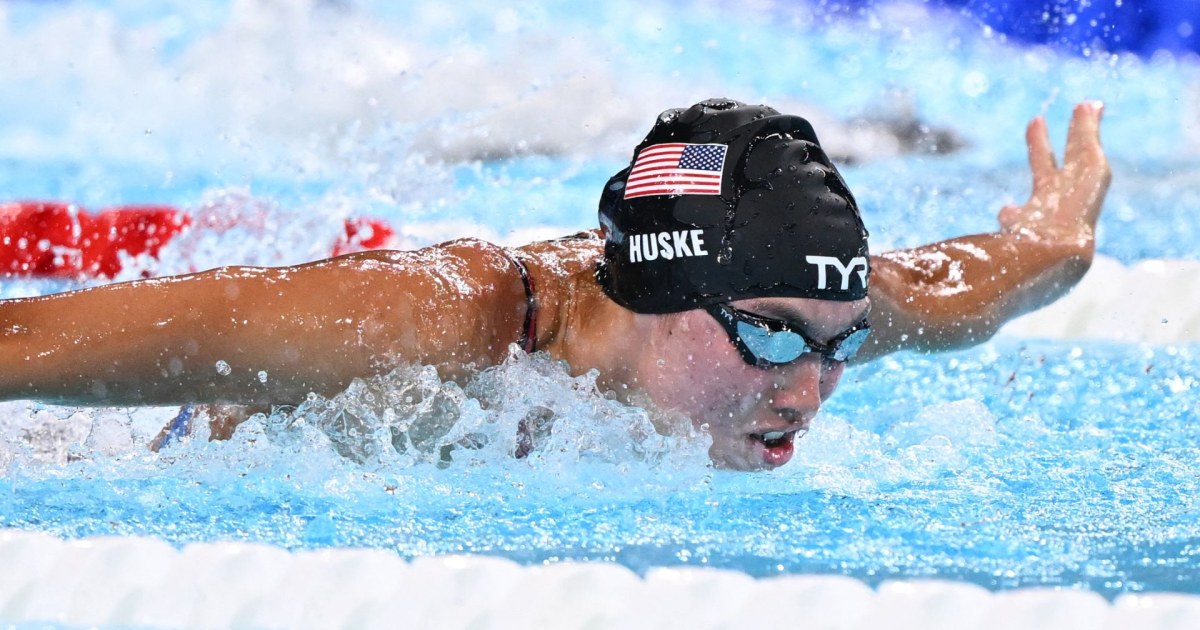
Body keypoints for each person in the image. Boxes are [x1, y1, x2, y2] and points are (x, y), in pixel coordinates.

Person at [0, 98, 1111, 471]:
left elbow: (971, 289)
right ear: (657, 295)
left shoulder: (808, 306)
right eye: (775, 341)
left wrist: (1055, 248)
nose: (814, 389)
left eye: (844, 343)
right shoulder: (433, 319)